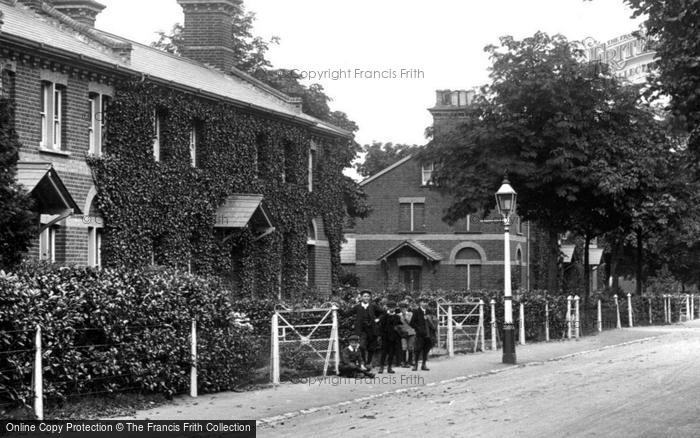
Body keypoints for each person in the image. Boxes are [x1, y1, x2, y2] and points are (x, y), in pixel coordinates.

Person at [343, 290, 383, 367]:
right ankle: (363, 362)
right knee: (361, 346)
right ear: (361, 297)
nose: (366, 298)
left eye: (368, 296)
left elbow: (383, 312)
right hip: (362, 330)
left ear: (370, 297)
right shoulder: (357, 307)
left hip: (372, 329)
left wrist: (378, 319)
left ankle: (369, 362)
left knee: (371, 347)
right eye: (364, 296)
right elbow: (346, 314)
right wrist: (337, 309)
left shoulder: (373, 306)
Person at [410, 297, 434, 371]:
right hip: (420, 334)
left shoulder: (429, 311)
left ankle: (424, 364)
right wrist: (418, 329)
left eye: (426, 302)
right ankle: (416, 365)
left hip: (428, 333)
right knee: (418, 349)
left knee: (426, 349)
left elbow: (433, 321)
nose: (425, 303)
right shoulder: (416, 311)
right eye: (423, 302)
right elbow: (412, 323)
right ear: (420, 303)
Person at [377, 301, 401, 374]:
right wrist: (380, 335)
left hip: (393, 337)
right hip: (385, 337)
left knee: (391, 353)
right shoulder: (384, 316)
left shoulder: (397, 317)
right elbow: (380, 326)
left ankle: (389, 367)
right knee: (384, 352)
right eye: (390, 307)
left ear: (395, 308)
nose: (392, 309)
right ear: (387, 307)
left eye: (393, 307)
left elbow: (399, 326)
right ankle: (381, 367)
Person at [397, 301, 416, 367]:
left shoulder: (410, 314)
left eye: (404, 308)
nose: (403, 309)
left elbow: (411, 323)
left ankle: (410, 361)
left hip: (411, 332)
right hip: (403, 333)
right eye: (401, 308)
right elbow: (397, 325)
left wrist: (405, 317)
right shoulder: (398, 315)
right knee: (404, 347)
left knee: (410, 347)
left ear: (406, 308)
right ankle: (403, 362)